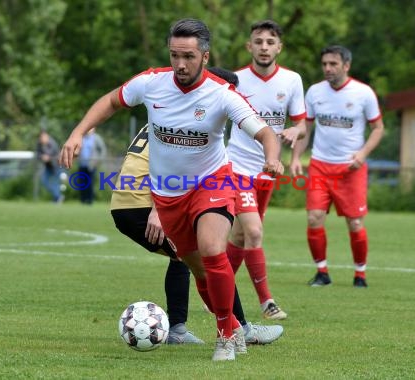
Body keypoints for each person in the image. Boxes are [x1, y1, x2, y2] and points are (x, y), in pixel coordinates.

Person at [60, 19, 283, 361]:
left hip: (213, 181)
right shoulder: (151, 83)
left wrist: (272, 157)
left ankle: (226, 334)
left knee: (212, 249)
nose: (181, 64)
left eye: (189, 56)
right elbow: (110, 101)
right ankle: (235, 326)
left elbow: (265, 132)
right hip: (168, 196)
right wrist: (78, 133)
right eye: (175, 55)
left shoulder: (222, 94)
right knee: (198, 270)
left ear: (205, 57)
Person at [110, 121, 283, 347]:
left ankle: (178, 330)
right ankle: (243, 328)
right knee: (210, 260)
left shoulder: (163, 112)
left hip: (122, 204)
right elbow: (169, 165)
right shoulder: (186, 119)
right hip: (143, 203)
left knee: (185, 256)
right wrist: (157, 209)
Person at [225, 20, 307, 320]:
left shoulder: (292, 80)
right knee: (255, 232)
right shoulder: (235, 80)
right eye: (258, 41)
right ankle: (267, 302)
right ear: (249, 46)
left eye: (270, 42)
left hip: (269, 172)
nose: (264, 47)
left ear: (279, 47)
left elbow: (302, 124)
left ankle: (216, 290)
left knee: (239, 237)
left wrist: (294, 135)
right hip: (238, 168)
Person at [288, 45, 384, 288]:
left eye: (333, 64)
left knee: (354, 222)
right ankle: (322, 273)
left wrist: (362, 154)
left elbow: (378, 128)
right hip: (320, 166)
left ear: (346, 66)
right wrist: (297, 158)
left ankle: (360, 275)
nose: (328, 68)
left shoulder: (363, 93)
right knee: (314, 218)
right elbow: (305, 129)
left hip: (350, 169)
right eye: (324, 64)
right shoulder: (315, 92)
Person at [78, 128, 107, 204]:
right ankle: (83, 200)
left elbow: (103, 150)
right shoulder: (82, 137)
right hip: (82, 164)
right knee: (82, 183)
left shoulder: (96, 138)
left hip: (91, 165)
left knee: (90, 182)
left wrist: (98, 160)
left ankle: (90, 200)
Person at [36, 130, 64, 203]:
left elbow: (55, 154)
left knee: (55, 182)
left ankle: (57, 198)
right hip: (48, 167)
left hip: (56, 166)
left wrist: (48, 157)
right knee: (44, 181)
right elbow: (38, 154)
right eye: (41, 137)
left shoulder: (52, 143)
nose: (42, 139)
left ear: (47, 136)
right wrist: (42, 156)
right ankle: (57, 196)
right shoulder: (39, 144)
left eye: (43, 137)